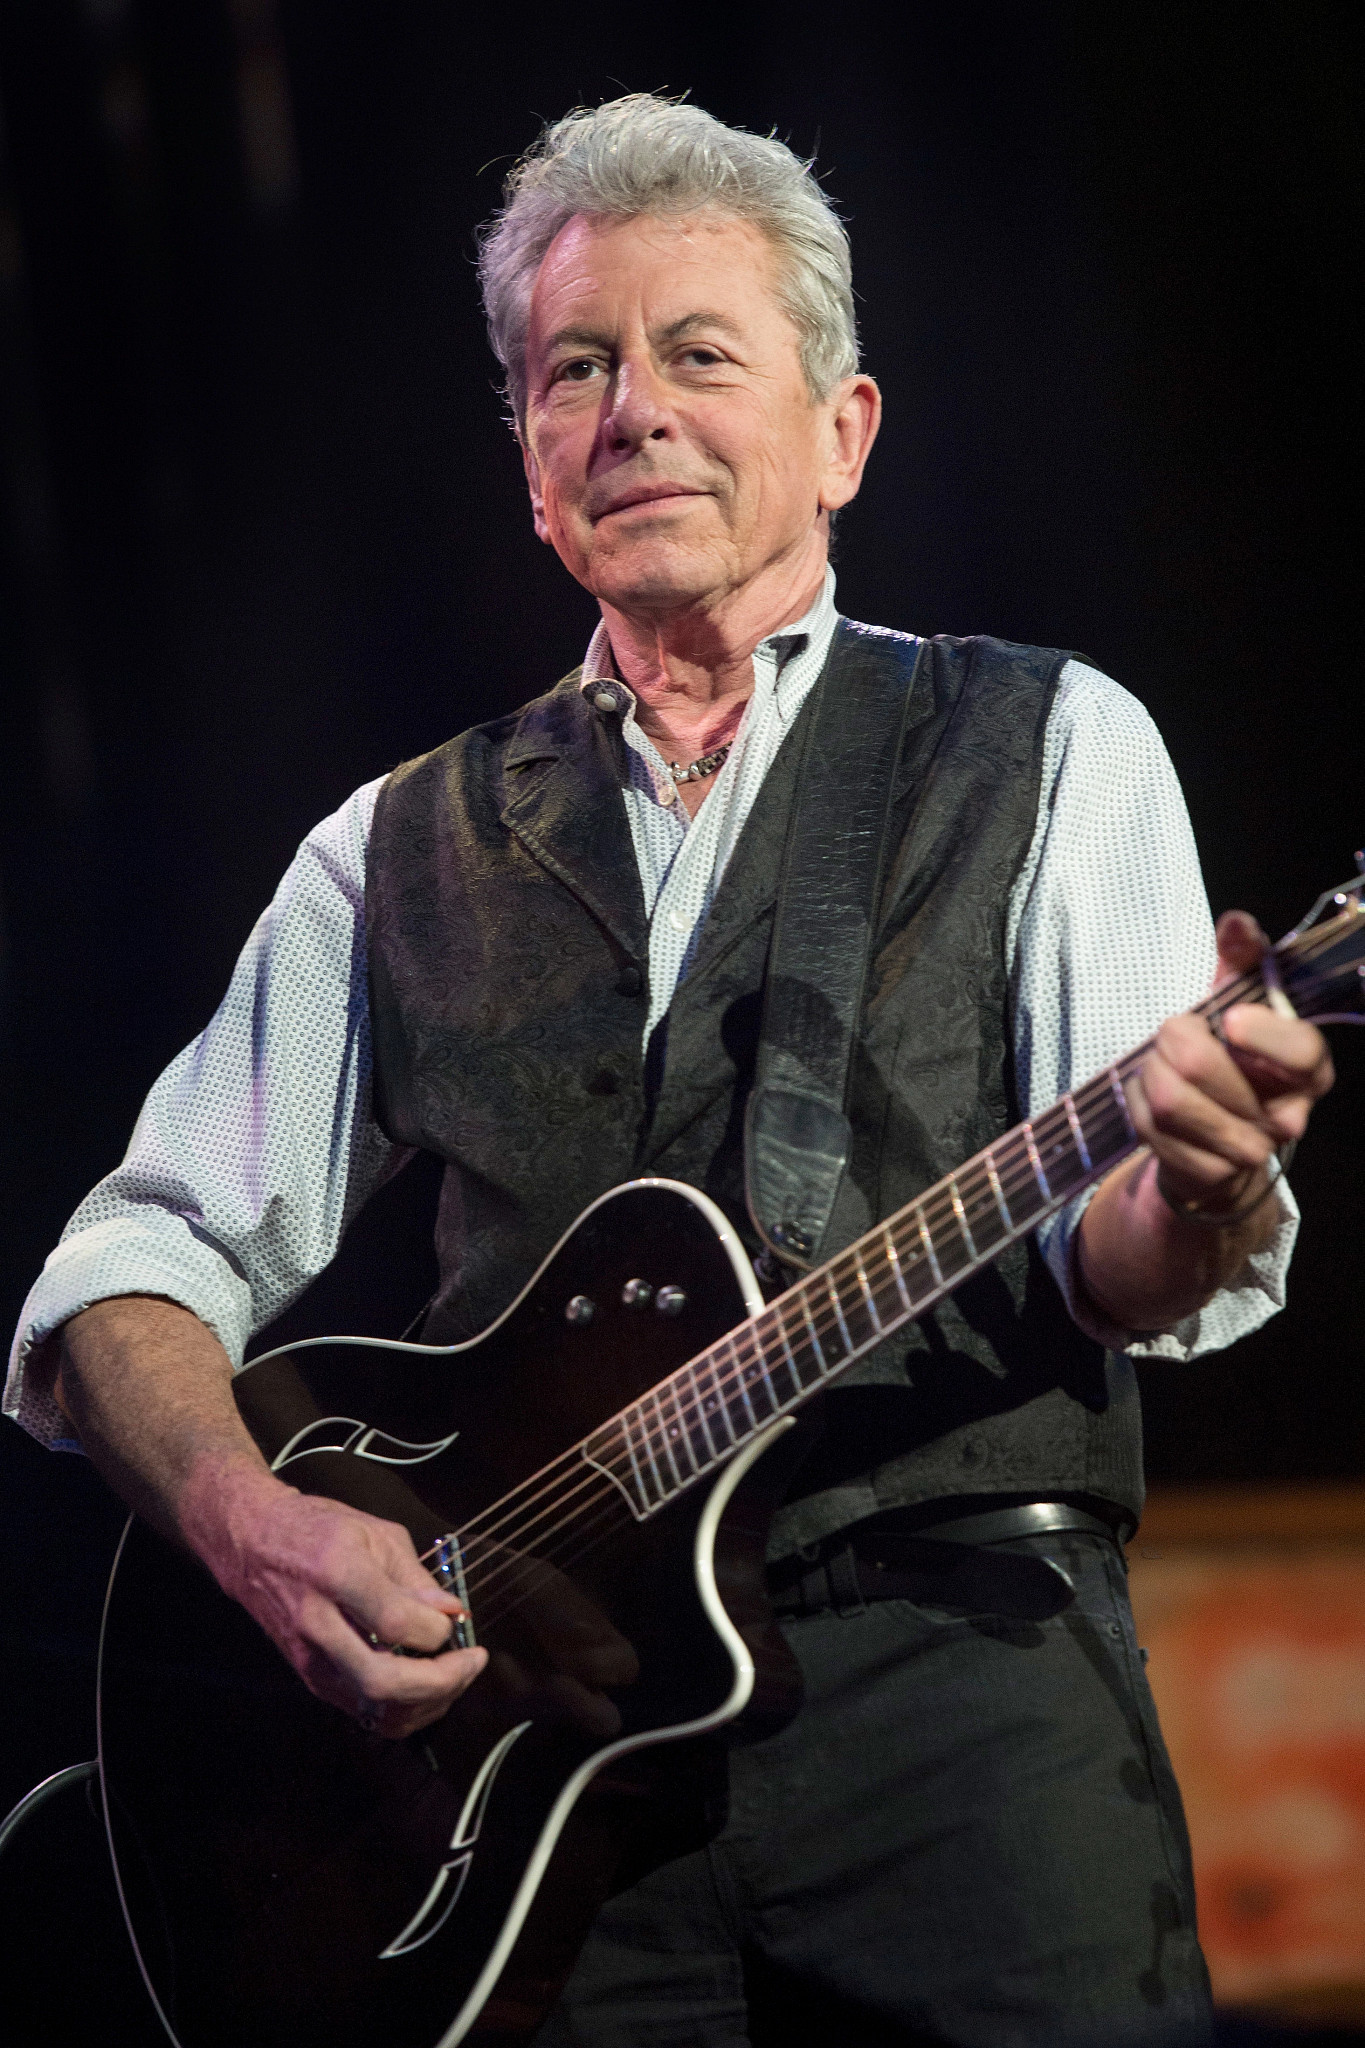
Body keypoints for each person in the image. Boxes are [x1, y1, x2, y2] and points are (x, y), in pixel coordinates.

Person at [5, 95, 1334, 2047]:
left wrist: (1196, 1180)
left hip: (963, 1707)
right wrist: (251, 1522)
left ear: (841, 430)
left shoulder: (1047, 740)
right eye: (574, 369)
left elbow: (1111, 1264)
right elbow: (123, 1270)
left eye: (696, 353)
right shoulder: (392, 843)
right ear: (531, 460)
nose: (630, 409)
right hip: (531, 1784)